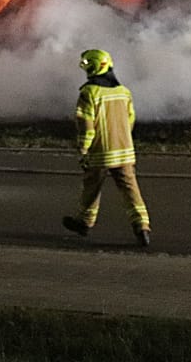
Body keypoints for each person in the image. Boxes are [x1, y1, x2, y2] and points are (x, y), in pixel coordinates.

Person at [61, 48, 151, 247]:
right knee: (130, 189)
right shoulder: (123, 91)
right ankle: (142, 226)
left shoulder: (89, 93)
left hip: (100, 153)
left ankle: (84, 223)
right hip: (125, 151)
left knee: (91, 188)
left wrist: (83, 150)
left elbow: (86, 125)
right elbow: (130, 120)